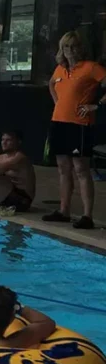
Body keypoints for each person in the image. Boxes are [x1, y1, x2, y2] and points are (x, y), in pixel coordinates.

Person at [43, 31, 106, 230]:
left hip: (79, 124)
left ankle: (87, 215)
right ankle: (64, 210)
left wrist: (96, 105)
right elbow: (52, 85)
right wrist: (58, 103)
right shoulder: (60, 69)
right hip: (59, 122)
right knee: (63, 168)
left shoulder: (91, 68)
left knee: (81, 169)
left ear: (82, 47)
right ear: (62, 49)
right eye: (67, 47)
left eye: (75, 46)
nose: (71, 51)